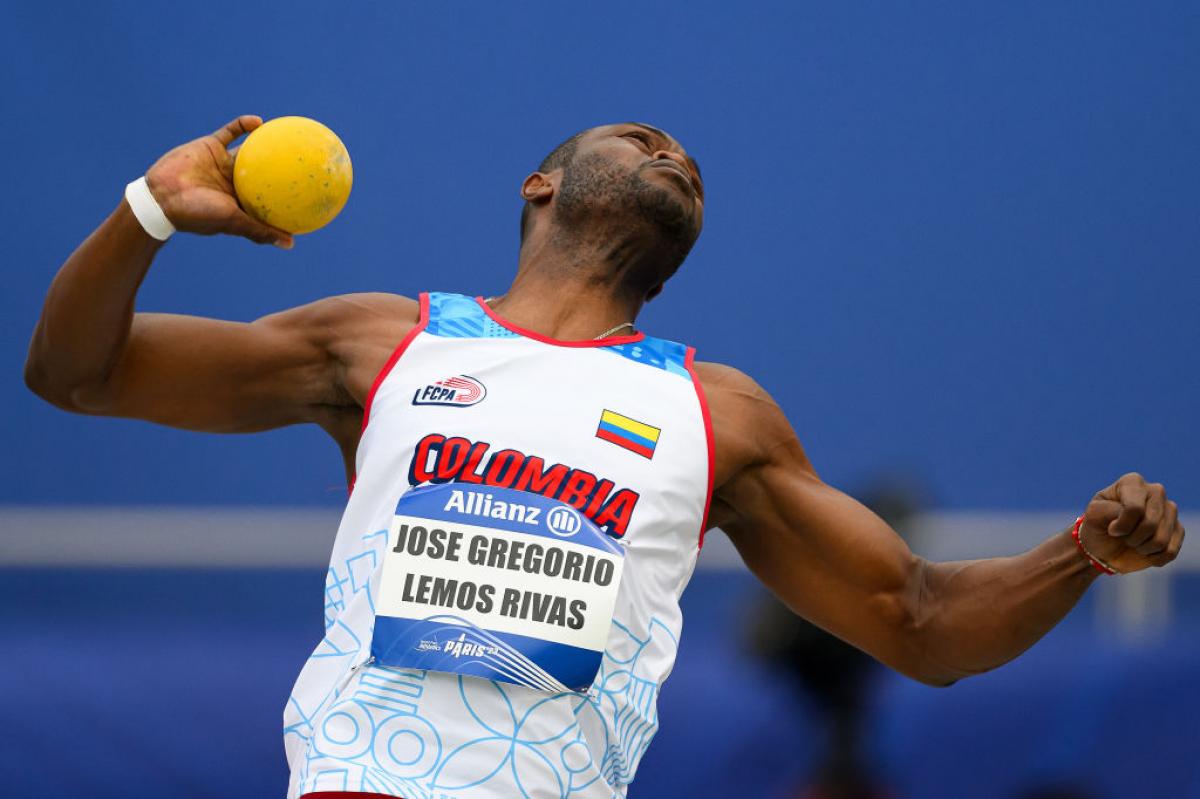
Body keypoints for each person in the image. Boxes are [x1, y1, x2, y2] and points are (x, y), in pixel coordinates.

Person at [25, 116, 1185, 799]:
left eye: (687, 159)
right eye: (641, 137)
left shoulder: (712, 412)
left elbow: (922, 624)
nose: (673, 148)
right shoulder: (384, 342)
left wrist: (1081, 552)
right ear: (540, 185)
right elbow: (78, 372)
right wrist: (151, 210)